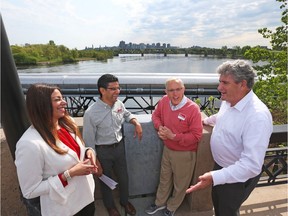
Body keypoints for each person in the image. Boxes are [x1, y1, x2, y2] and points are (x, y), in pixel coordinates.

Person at [186, 60, 273, 216]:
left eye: (225, 83)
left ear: (242, 84)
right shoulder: (231, 100)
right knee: (219, 205)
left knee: (227, 210)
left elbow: (251, 165)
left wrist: (215, 176)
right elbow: (222, 116)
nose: (219, 87)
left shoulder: (257, 116)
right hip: (221, 167)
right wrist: (205, 121)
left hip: (238, 176)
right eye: (220, 82)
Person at [15, 83, 102, 216]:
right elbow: (30, 190)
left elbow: (76, 152)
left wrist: (88, 152)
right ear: (41, 105)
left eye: (62, 98)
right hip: (64, 209)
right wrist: (69, 174)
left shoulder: (68, 123)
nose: (64, 102)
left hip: (86, 198)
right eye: (57, 100)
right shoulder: (29, 144)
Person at [83, 74, 143, 216]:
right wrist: (95, 161)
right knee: (105, 180)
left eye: (118, 88)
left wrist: (136, 122)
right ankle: (110, 207)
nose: (117, 91)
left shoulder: (119, 104)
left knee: (124, 178)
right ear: (102, 90)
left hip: (119, 148)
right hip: (103, 151)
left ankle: (124, 201)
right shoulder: (90, 113)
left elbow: (127, 115)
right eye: (113, 89)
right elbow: (88, 141)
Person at [145, 77, 203, 216]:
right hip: (168, 149)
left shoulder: (193, 109)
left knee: (180, 184)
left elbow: (196, 136)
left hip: (184, 153)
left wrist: (173, 136)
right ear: (166, 91)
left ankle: (171, 208)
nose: (175, 94)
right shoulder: (165, 100)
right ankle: (159, 203)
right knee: (164, 179)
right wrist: (161, 128)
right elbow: (155, 115)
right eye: (171, 90)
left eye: (178, 89)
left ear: (184, 89)